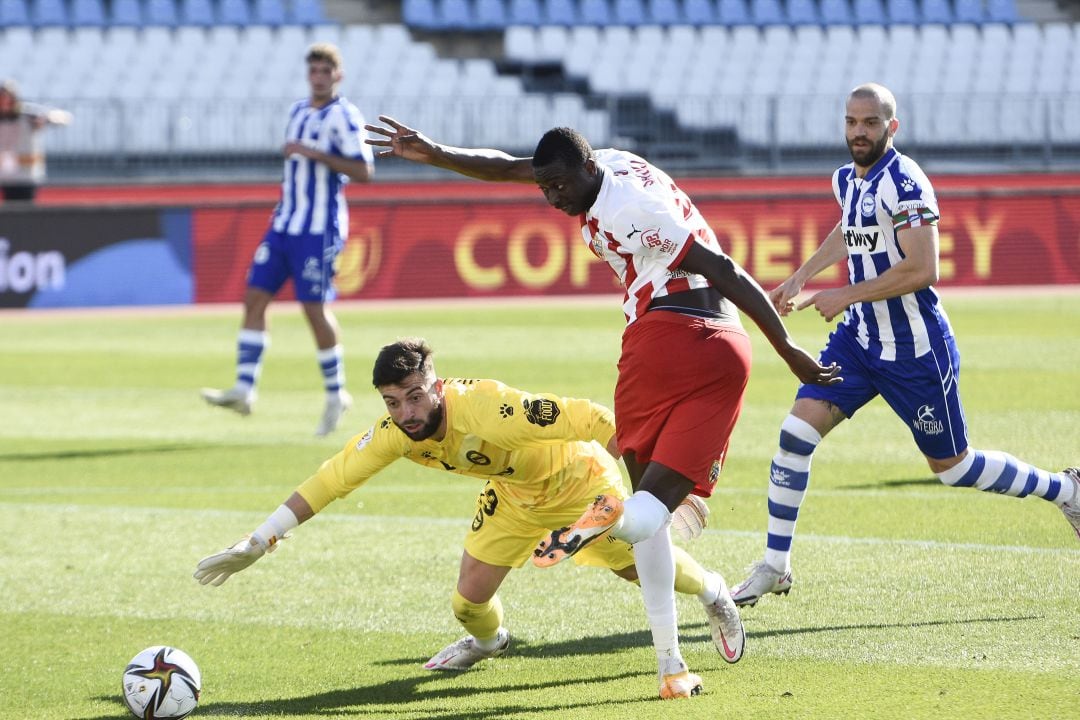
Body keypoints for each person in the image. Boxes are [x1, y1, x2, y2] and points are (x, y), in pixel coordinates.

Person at [363, 119, 840, 699]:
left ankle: (613, 523)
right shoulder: (602, 164)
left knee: (645, 516)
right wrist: (436, 154)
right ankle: (671, 664)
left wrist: (790, 348)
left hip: (663, 337)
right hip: (716, 346)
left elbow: (723, 268)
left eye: (560, 185)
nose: (553, 197)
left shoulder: (628, 209)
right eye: (548, 188)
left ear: (588, 171)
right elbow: (513, 166)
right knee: (650, 518)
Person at [194, 338, 745, 675]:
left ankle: (715, 592)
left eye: (414, 396)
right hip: (512, 497)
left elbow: (595, 417)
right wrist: (259, 540)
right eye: (393, 402)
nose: (406, 412)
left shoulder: (491, 409)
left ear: (435, 385)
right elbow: (330, 481)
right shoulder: (396, 432)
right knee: (468, 602)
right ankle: (489, 642)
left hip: (578, 479)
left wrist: (664, 486)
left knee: (637, 570)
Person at [729, 83, 1080, 608]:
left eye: (869, 123)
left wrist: (844, 293)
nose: (857, 132)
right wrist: (802, 276)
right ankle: (775, 566)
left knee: (955, 469)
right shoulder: (846, 179)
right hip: (859, 344)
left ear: (892, 127)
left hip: (915, 351)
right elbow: (850, 231)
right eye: (851, 122)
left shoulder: (907, 182)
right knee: (795, 436)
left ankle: (1067, 490)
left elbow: (923, 268)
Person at [201, 43, 374, 437]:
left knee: (313, 308)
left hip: (319, 228)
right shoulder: (297, 111)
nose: (318, 76)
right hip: (285, 224)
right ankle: (245, 389)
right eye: (313, 70)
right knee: (254, 297)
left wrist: (313, 153)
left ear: (337, 75)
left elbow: (364, 170)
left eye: (325, 70)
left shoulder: (345, 117)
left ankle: (336, 394)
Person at [0, 79, 71, 202]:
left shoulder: (28, 114)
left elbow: (64, 118)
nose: (5, 102)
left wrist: (45, 119)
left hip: (26, 176)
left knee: (26, 213)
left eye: (8, 98)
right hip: (5, 176)